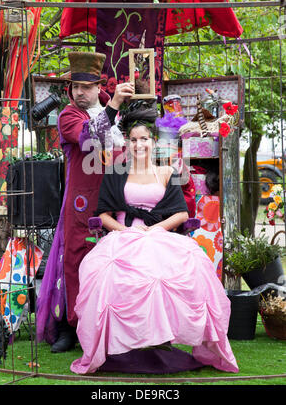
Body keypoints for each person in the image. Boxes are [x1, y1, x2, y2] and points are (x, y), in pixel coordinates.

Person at [70, 104, 239, 375]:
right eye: (134, 140)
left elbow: (181, 213)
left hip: (159, 234)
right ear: (128, 143)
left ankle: (161, 338)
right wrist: (124, 232)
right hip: (124, 235)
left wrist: (155, 230)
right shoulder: (115, 173)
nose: (139, 144)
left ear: (153, 142)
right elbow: (102, 214)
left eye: (144, 139)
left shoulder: (165, 172)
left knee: (188, 266)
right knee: (109, 274)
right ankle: (124, 343)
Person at [36, 51, 133, 353]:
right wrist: (115, 104)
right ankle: (70, 326)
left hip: (113, 199)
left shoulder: (111, 111)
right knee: (76, 260)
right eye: (75, 86)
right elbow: (90, 138)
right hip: (81, 203)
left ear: (97, 86)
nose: (80, 92)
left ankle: (109, 324)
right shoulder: (68, 115)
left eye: (87, 86)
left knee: (113, 263)